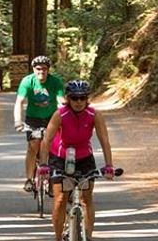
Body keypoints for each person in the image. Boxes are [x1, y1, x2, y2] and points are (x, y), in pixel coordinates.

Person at [38, 80, 115, 241]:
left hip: (85, 158)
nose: (78, 102)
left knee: (86, 199)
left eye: (82, 98)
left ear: (87, 99)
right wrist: (44, 165)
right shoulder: (60, 115)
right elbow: (47, 140)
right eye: (74, 98)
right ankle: (58, 238)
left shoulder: (95, 115)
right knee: (60, 199)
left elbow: (104, 141)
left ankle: (88, 236)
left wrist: (109, 165)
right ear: (68, 98)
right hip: (60, 158)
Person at [13, 55, 65, 192]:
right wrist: (18, 121)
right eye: (38, 69)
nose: (41, 72)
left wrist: (66, 117)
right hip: (33, 119)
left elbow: (61, 101)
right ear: (33, 69)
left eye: (44, 69)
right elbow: (19, 102)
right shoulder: (27, 81)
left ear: (48, 70)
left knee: (54, 147)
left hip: (51, 118)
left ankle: (54, 178)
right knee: (33, 145)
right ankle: (29, 179)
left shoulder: (55, 82)